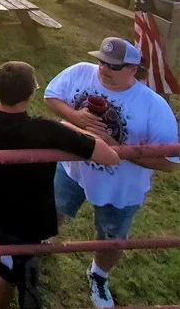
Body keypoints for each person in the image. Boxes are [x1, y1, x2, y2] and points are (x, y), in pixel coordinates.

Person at [0, 62, 119, 309]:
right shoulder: (47, 132)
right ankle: (6, 263)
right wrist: (69, 127)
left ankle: (1, 257)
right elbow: (110, 156)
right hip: (26, 220)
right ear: (31, 94)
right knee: (9, 269)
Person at [44, 37, 178, 308]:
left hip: (120, 188)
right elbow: (51, 96)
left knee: (111, 237)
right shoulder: (81, 72)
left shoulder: (153, 107)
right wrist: (76, 117)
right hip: (73, 171)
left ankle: (99, 275)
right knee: (53, 210)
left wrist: (119, 149)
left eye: (113, 66)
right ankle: (38, 244)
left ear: (134, 69)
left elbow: (170, 162)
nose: (103, 69)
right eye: (102, 62)